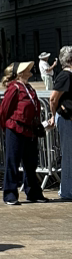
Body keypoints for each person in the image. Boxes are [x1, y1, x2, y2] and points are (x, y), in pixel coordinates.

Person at [0, 61, 47, 206]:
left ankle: (33, 193)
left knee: (31, 163)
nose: (30, 70)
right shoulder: (14, 88)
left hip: (29, 130)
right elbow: (4, 111)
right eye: (26, 69)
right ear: (19, 73)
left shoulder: (28, 87)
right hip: (15, 128)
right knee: (12, 162)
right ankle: (10, 194)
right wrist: (7, 127)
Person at [49, 46, 72, 202]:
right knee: (68, 155)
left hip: (67, 118)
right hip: (66, 119)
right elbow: (53, 98)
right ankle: (66, 191)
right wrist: (54, 115)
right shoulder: (65, 76)